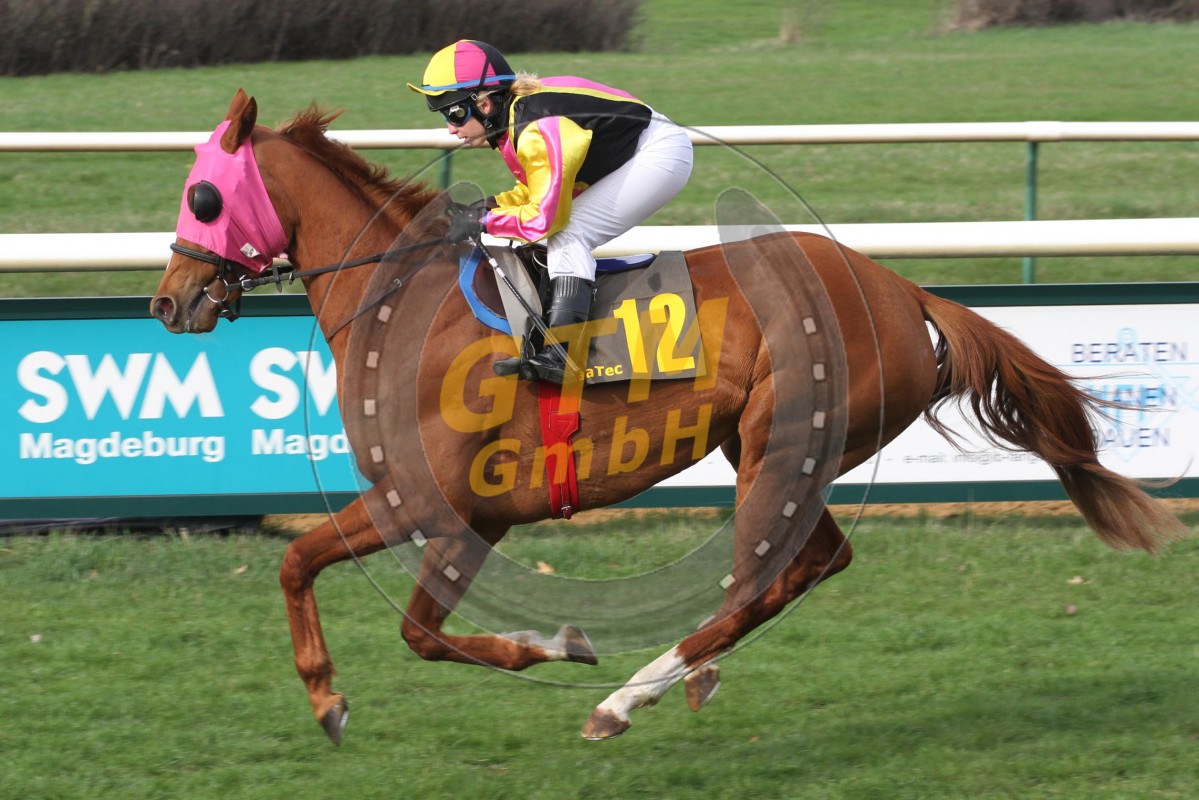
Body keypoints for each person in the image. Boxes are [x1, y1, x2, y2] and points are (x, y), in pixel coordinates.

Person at [407, 39, 694, 384]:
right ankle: (547, 339)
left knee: (567, 233)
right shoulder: (515, 119)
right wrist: (493, 206)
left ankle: (563, 354)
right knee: (554, 235)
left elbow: (544, 219)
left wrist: (483, 222)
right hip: (638, 148)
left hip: (658, 153)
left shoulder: (535, 129)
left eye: (454, 114)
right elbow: (540, 190)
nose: (451, 128)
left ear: (484, 104)